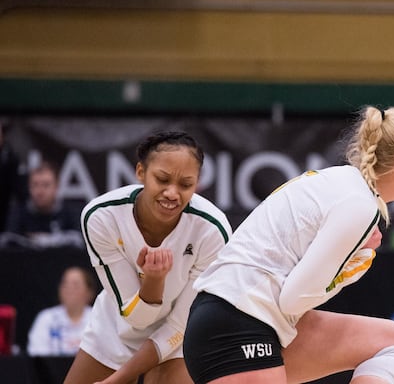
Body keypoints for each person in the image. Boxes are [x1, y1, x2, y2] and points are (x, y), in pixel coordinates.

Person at [182, 106, 394, 384]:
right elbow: (293, 299)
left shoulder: (343, 182)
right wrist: (349, 271)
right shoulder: (359, 205)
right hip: (236, 324)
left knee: (391, 341)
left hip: (243, 319)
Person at [64, 131, 232, 384]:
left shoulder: (212, 230)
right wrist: (154, 280)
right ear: (140, 172)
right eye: (162, 179)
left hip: (180, 339)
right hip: (116, 330)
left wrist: (119, 379)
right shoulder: (101, 216)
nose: (172, 193)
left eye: (186, 184)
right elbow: (137, 318)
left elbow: (178, 325)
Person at [4, 161, 83, 249]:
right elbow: (8, 242)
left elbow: (79, 241)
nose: (40, 192)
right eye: (35, 185)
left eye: (46, 185)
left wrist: (47, 241)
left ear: (57, 186)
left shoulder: (71, 212)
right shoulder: (18, 213)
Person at [27, 266, 96, 356]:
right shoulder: (46, 318)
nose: (69, 289)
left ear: (89, 292)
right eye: (65, 284)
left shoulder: (97, 318)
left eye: (75, 285)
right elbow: (36, 353)